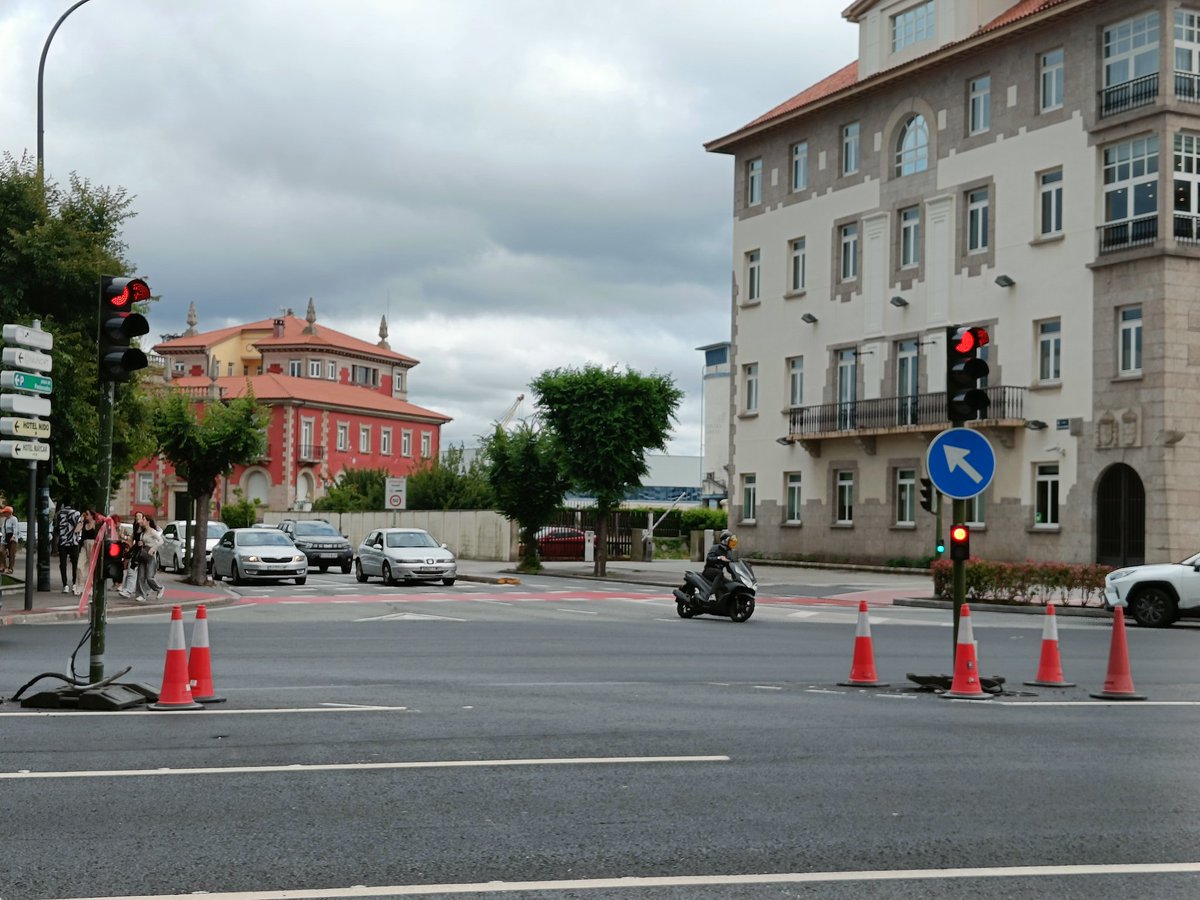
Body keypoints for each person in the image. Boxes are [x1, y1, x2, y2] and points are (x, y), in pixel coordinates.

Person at [698, 529, 738, 603]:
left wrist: (736, 572)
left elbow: (729, 567)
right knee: (720, 573)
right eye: (730, 541)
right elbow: (709, 559)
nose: (731, 543)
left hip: (718, 573)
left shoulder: (727, 552)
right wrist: (719, 558)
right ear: (725, 541)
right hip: (709, 570)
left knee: (729, 584)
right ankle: (711, 595)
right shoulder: (716, 548)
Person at [133, 514, 165, 603]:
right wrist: (141, 543)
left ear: (148, 521)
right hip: (143, 554)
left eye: (143, 519)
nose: (141, 521)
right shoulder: (143, 532)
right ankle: (141, 595)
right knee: (140, 576)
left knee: (149, 577)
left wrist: (153, 548)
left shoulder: (152, 531)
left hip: (150, 556)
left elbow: (161, 541)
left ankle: (159, 588)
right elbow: (143, 540)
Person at [54, 501, 82, 595]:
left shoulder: (59, 513)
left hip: (63, 542)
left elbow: (56, 528)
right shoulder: (77, 513)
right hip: (74, 541)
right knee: (75, 564)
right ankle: (74, 583)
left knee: (63, 564)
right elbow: (79, 526)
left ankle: (65, 585)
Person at [78, 509, 100, 589]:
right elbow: (76, 530)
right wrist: (81, 519)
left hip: (93, 545)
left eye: (87, 514)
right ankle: (80, 585)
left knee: (91, 566)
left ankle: (91, 585)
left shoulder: (95, 524)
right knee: (80, 566)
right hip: (85, 545)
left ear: (92, 515)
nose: (86, 516)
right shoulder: (84, 524)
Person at [1, 506, 18, 574]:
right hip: (5, 538)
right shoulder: (5, 520)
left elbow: (15, 528)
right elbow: (3, 530)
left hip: (12, 538)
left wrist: (13, 536)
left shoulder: (14, 519)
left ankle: (11, 568)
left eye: (5, 512)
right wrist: (3, 539)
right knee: (1, 551)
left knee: (11, 554)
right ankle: (3, 566)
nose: (3, 513)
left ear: (9, 513)